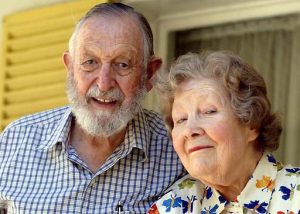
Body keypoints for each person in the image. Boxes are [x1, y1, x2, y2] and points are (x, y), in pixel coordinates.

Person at [0, 3, 185, 213]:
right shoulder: (16, 140)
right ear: (70, 68)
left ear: (149, 73)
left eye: (122, 64)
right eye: (90, 62)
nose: (104, 84)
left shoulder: (178, 147)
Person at [148, 51, 300, 213]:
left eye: (209, 111)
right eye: (181, 120)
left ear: (252, 124)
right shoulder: (172, 207)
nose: (190, 130)